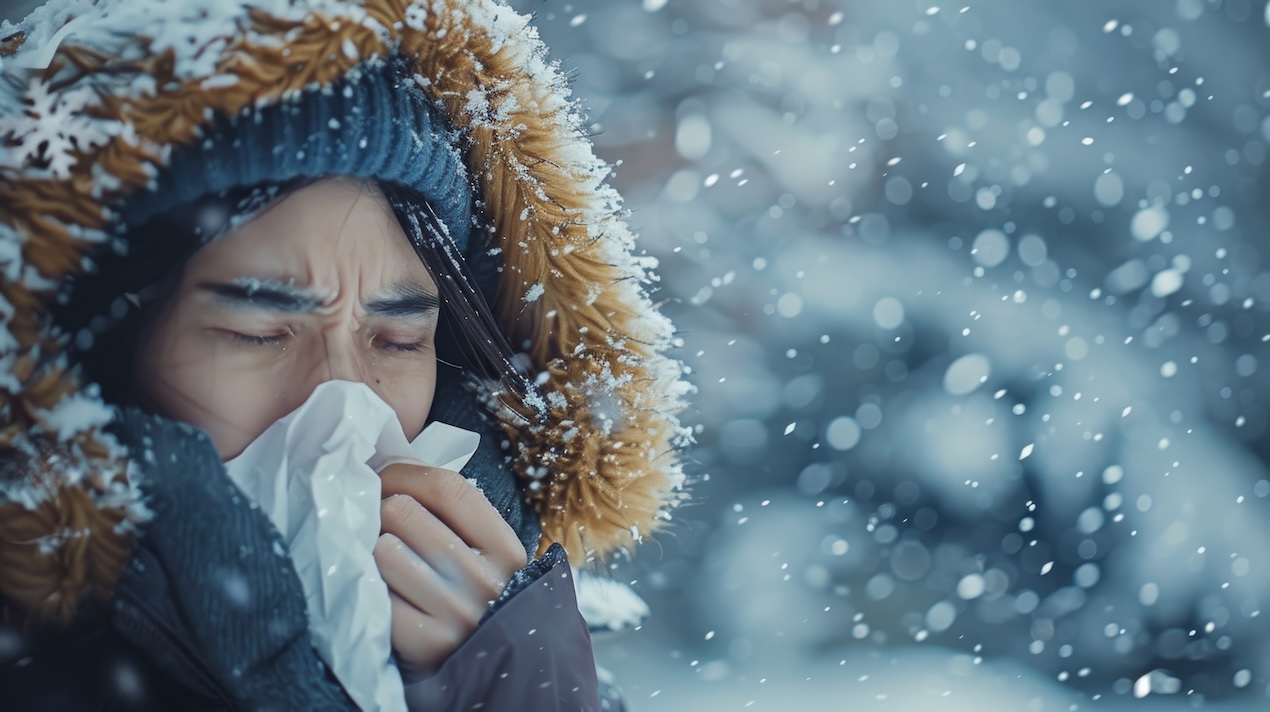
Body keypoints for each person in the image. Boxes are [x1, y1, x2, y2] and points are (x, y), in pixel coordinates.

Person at [0, 0, 692, 709]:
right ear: (94, 353)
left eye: (397, 339)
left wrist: (514, 682)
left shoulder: (521, 649)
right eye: (258, 332)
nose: (344, 400)